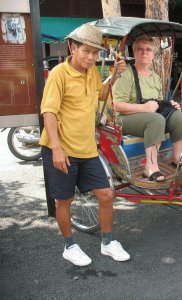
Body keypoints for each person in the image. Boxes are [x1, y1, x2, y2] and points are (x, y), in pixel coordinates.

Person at [39, 24, 130, 266]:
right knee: (65, 200)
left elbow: (100, 95)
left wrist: (115, 75)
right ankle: (69, 246)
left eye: (95, 53)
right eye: (86, 51)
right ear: (73, 47)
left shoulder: (91, 72)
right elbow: (48, 112)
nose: (91, 57)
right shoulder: (59, 74)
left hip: (88, 148)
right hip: (61, 149)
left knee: (107, 194)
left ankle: (107, 242)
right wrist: (56, 149)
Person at [112, 35, 182, 182]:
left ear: (153, 54)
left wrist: (170, 106)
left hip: (150, 117)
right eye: (140, 49)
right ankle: (150, 167)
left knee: (179, 117)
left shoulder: (155, 77)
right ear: (134, 53)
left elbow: (158, 103)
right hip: (125, 119)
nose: (144, 52)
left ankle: (176, 157)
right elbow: (116, 105)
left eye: (148, 49)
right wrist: (144, 107)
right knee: (156, 119)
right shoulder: (127, 74)